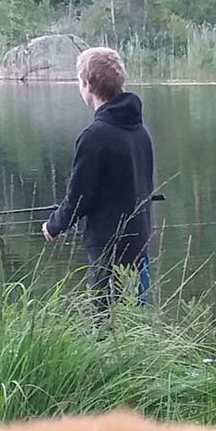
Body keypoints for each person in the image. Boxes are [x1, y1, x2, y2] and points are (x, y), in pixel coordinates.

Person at [43, 46, 155, 309]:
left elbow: (79, 199)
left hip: (109, 252)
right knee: (137, 319)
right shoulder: (140, 132)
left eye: (79, 80)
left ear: (88, 85)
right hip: (140, 244)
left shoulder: (94, 136)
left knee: (104, 323)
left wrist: (54, 225)